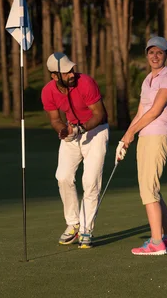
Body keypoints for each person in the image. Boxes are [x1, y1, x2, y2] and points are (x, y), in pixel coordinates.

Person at [117, 36, 167, 256]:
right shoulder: (147, 80)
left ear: (166, 55)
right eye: (151, 52)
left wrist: (132, 132)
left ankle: (156, 242)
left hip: (158, 137)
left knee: (148, 190)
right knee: (152, 189)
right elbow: (141, 112)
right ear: (146, 55)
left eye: (159, 52)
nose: (155, 56)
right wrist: (126, 137)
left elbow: (155, 111)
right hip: (144, 137)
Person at [41, 52, 109, 249]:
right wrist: (62, 130)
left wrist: (79, 129)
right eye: (67, 72)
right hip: (72, 131)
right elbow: (55, 119)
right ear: (55, 76)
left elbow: (100, 114)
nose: (72, 74)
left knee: (90, 181)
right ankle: (73, 224)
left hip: (96, 132)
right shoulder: (48, 91)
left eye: (72, 69)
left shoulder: (86, 82)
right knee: (62, 176)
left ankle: (86, 229)